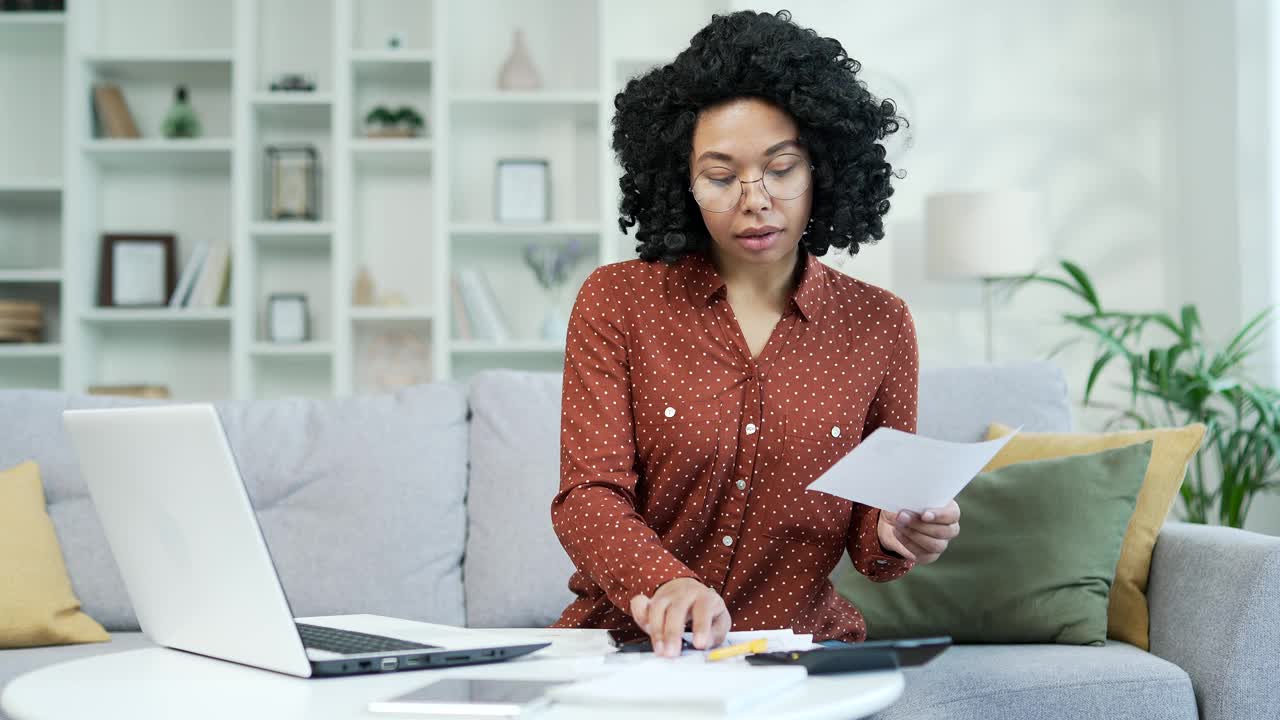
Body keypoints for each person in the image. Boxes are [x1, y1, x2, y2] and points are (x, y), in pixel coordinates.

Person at [549, 9, 960, 658]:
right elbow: (587, 497)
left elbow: (870, 535)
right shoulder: (616, 300)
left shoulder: (880, 324)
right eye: (720, 176)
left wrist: (896, 529)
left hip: (798, 654)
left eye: (782, 167)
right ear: (681, 184)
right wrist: (668, 584)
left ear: (821, 168)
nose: (756, 198)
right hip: (633, 650)